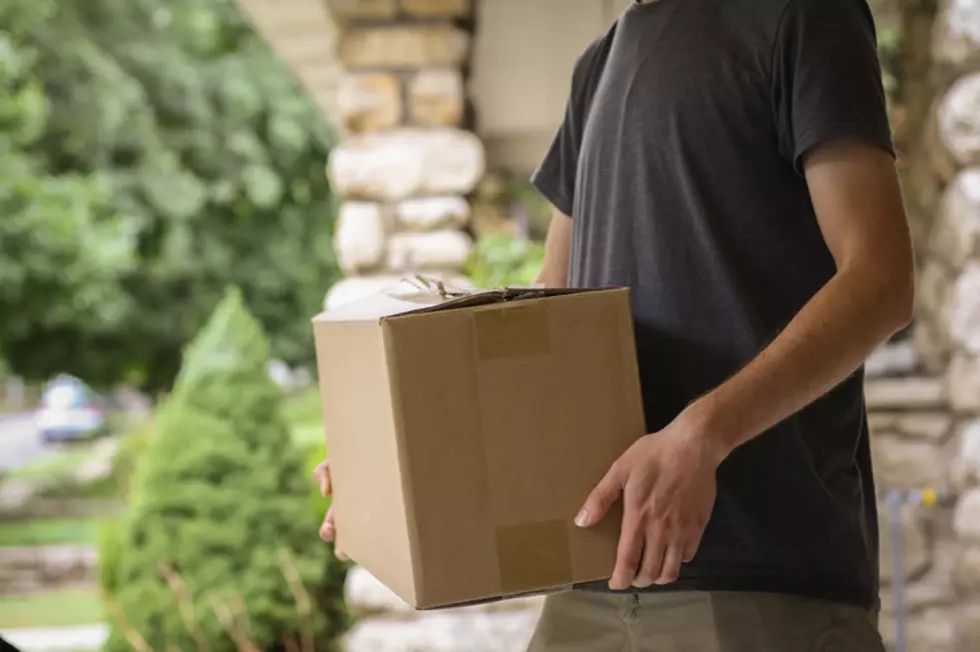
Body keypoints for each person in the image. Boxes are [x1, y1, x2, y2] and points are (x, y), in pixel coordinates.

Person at [316, 0, 915, 649]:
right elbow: (549, 311)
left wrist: (701, 436)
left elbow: (880, 281)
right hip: (593, 579)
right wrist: (401, 457)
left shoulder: (802, 15)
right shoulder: (599, 63)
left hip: (760, 584)